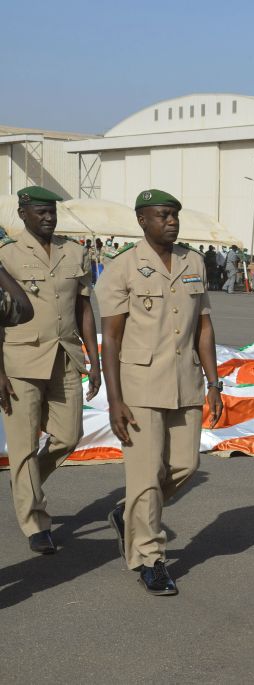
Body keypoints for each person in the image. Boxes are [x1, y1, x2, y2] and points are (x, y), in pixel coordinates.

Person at [97, 189, 223, 596]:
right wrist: (115, 400)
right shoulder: (122, 268)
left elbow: (203, 325)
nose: (171, 221)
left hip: (185, 381)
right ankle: (150, 558)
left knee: (185, 466)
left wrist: (215, 383)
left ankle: (128, 513)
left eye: (174, 215)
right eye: (162, 215)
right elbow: (111, 340)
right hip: (139, 387)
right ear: (142, 220)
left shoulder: (193, 261)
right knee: (147, 476)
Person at [0, 186, 100, 555]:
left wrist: (95, 359)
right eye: (41, 211)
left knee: (68, 437)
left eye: (52, 212)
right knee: (23, 445)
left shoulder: (74, 252)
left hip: (65, 357)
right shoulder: (6, 255)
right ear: (23, 213)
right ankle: (36, 523)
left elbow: (84, 308)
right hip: (19, 361)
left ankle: (25, 485)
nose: (48, 217)